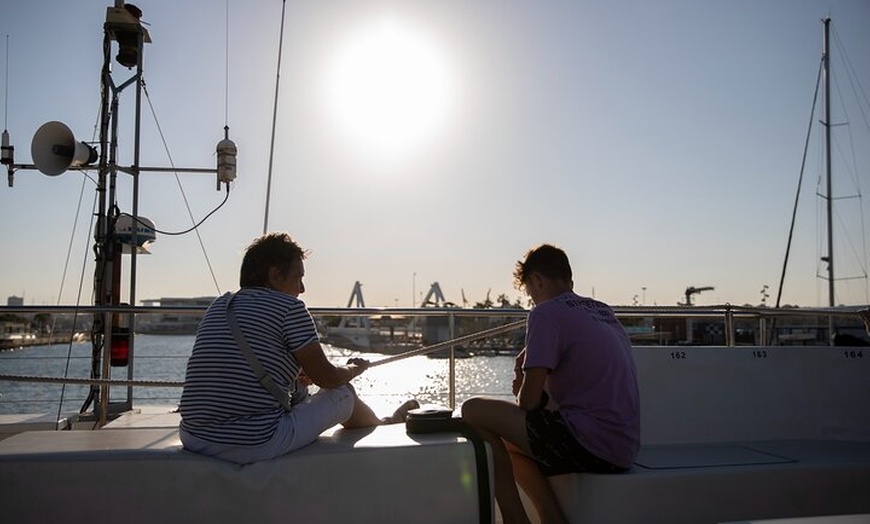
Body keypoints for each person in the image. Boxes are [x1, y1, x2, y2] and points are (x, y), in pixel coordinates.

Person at [179, 232, 418, 464]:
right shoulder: (289, 308)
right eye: (298, 278)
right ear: (275, 275)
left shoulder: (220, 305)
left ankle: (379, 421)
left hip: (194, 437)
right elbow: (328, 378)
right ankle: (381, 425)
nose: (302, 289)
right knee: (343, 393)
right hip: (254, 442)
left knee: (300, 387)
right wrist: (353, 369)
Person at [461, 244, 640, 524]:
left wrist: (523, 380)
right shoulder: (602, 312)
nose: (532, 300)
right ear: (570, 280)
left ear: (537, 280)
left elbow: (528, 402)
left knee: (473, 410)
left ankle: (515, 519)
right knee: (509, 444)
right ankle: (551, 519)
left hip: (591, 444)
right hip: (623, 447)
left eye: (530, 293)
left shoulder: (545, 313)